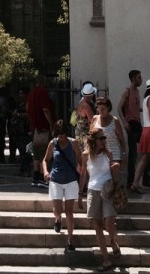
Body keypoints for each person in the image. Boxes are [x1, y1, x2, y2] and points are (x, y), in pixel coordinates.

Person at [79, 128, 122, 271]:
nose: (104, 141)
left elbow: (114, 172)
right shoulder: (85, 155)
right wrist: (80, 194)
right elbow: (83, 175)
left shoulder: (108, 154)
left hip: (107, 189)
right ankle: (106, 259)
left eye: (104, 138)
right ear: (93, 141)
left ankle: (113, 241)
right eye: (101, 138)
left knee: (109, 222)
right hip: (92, 190)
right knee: (97, 227)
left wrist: (116, 167)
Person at [43, 119, 82, 254]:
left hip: (71, 180)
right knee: (58, 209)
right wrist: (46, 171)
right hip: (56, 180)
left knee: (69, 211)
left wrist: (81, 175)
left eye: (63, 134)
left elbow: (80, 161)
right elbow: (45, 160)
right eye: (59, 135)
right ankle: (57, 219)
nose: (62, 138)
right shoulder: (52, 144)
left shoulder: (74, 143)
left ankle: (70, 240)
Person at [118, 69, 150, 188]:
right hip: (131, 124)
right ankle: (131, 181)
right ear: (133, 79)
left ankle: (145, 178)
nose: (141, 80)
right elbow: (119, 108)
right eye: (139, 78)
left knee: (147, 150)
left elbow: (136, 108)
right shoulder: (127, 92)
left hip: (137, 124)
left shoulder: (137, 91)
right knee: (133, 153)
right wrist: (124, 123)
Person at [26, 74, 55, 188]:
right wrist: (51, 124)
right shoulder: (42, 92)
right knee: (45, 153)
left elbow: (28, 108)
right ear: (43, 81)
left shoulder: (32, 93)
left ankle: (36, 178)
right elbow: (45, 109)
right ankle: (44, 178)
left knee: (36, 155)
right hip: (43, 127)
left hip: (35, 127)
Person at [92, 97, 127, 181]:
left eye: (103, 109)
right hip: (100, 155)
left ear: (108, 108)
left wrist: (124, 154)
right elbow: (91, 136)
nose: (101, 111)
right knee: (101, 180)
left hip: (114, 154)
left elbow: (122, 140)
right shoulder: (95, 119)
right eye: (99, 109)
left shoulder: (115, 121)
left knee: (114, 180)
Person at [8, 88, 31, 174]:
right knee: (21, 150)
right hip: (18, 130)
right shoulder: (19, 103)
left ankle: (26, 170)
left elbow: (29, 115)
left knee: (26, 150)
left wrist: (17, 114)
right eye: (19, 93)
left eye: (21, 93)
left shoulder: (27, 103)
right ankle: (22, 169)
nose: (20, 95)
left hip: (24, 129)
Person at [74, 82, 97, 152]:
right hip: (85, 136)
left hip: (79, 134)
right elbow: (93, 121)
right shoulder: (86, 106)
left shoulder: (81, 103)